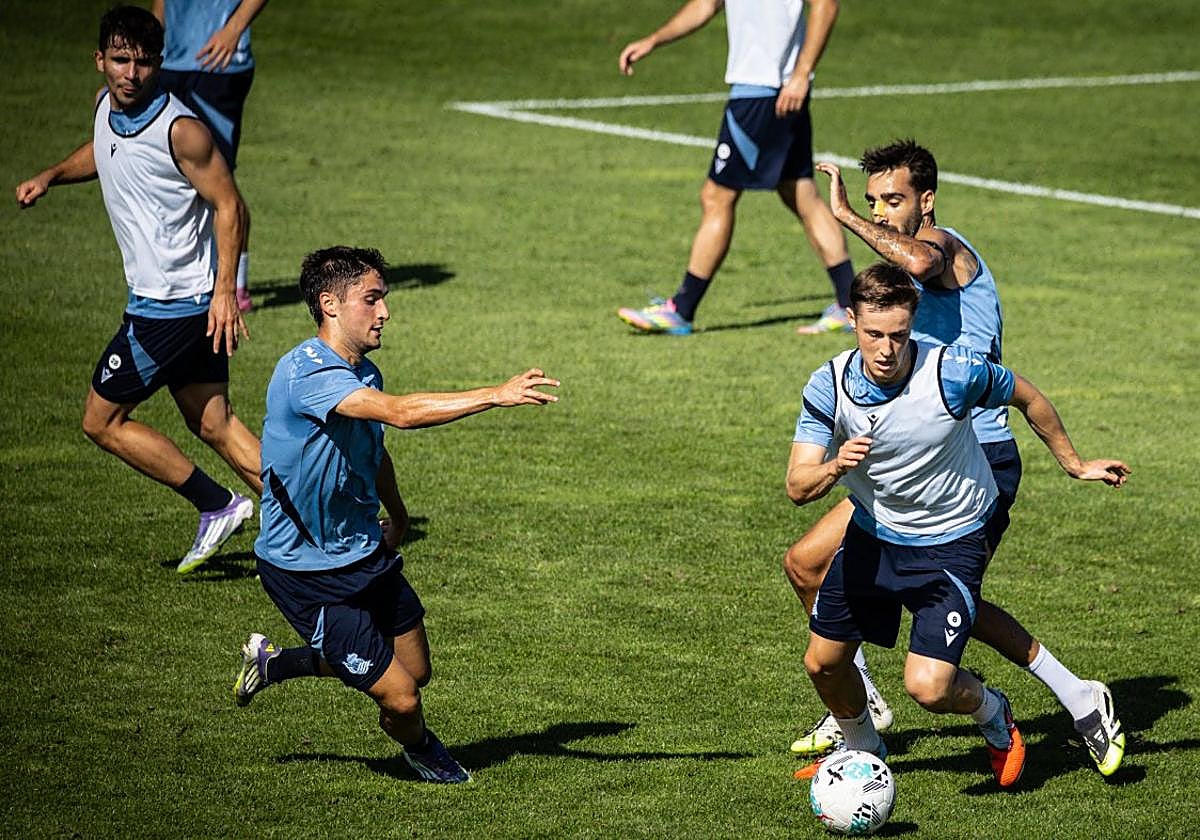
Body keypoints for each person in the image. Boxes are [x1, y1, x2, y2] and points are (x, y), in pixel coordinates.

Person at [784, 140, 1127, 778]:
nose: (882, 212)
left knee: (943, 599)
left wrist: (843, 216)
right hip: (916, 452)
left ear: (928, 200)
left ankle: (1079, 697)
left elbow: (915, 256)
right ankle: (858, 709)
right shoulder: (902, 297)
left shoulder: (946, 251)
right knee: (805, 564)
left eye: (894, 200)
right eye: (873, 201)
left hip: (980, 455)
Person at [232, 247, 559, 784]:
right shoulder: (306, 373)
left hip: (364, 550)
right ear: (329, 305)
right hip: (306, 573)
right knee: (403, 699)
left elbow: (374, 452)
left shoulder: (367, 372)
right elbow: (402, 416)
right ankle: (423, 750)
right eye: (372, 299)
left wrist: (399, 516)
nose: (385, 311)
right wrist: (494, 396)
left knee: (417, 671)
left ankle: (277, 662)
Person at [15, 6, 260, 574]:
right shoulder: (106, 108)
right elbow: (102, 152)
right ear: (100, 60)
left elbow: (231, 205)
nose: (131, 73)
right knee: (214, 424)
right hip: (178, 304)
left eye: (144, 62)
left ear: (159, 64)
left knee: (101, 421)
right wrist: (51, 175)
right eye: (120, 60)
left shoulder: (181, 130)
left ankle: (217, 505)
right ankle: (315, 525)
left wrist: (225, 291)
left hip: (173, 308)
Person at [614, 0, 855, 336]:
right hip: (768, 87)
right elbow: (705, 4)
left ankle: (681, 310)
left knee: (717, 196)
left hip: (766, 90)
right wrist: (654, 40)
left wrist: (801, 74)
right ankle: (850, 304)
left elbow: (826, 5)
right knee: (799, 192)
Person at [151, 0, 268, 312]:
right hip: (169, 63)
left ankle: (235, 285)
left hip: (220, 64)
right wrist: (150, 40)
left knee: (218, 182)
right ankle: (191, 275)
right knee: (180, 174)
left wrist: (233, 29)